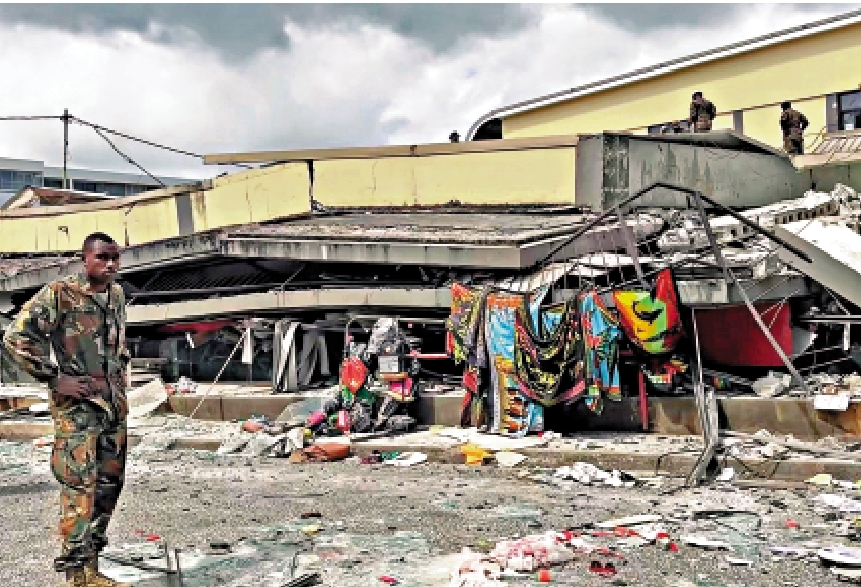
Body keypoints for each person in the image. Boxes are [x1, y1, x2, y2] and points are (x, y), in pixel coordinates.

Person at [3, 232, 131, 587]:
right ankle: (77, 573)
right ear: (85, 259)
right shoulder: (60, 294)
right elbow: (16, 339)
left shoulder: (116, 295)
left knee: (109, 485)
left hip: (113, 406)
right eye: (102, 257)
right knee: (79, 487)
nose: (110, 264)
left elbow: (117, 347)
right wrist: (54, 379)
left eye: (115, 258)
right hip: (78, 409)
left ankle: (92, 565)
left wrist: (121, 381)